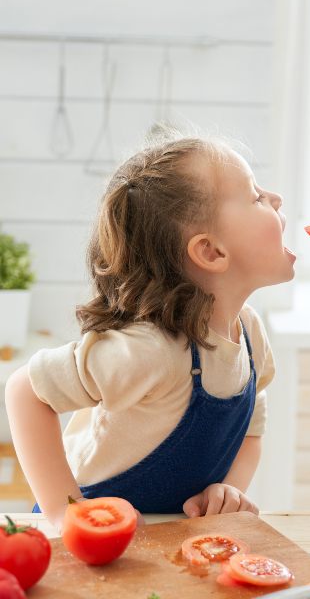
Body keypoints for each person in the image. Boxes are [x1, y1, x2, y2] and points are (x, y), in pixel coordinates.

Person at [5, 133, 294, 530]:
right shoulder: (151, 351)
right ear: (211, 252)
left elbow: (251, 428)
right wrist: (64, 512)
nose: (276, 198)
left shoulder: (248, 333)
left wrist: (226, 490)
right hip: (84, 539)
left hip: (170, 535)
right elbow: (25, 390)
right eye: (255, 197)